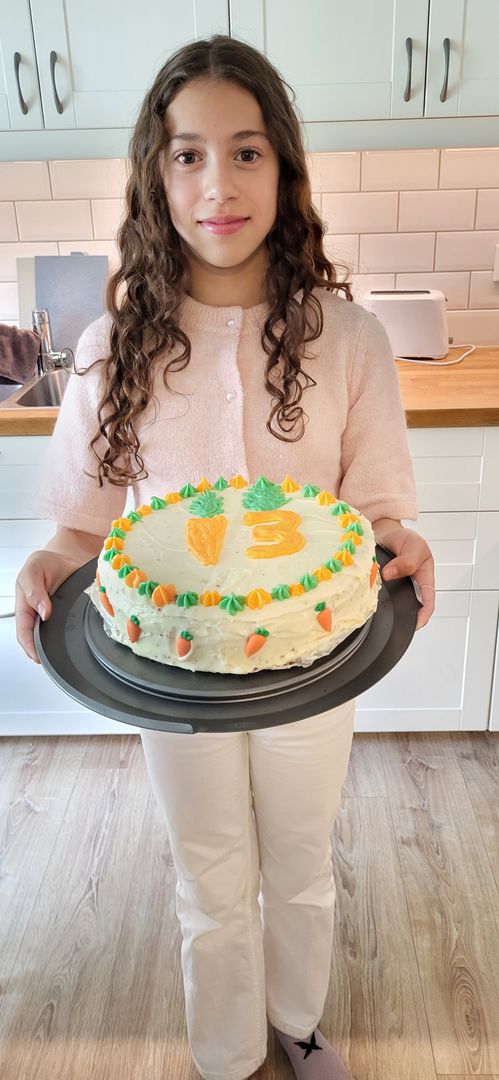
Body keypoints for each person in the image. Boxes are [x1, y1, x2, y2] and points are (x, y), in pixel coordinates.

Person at [15, 34, 435, 1080]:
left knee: (299, 860)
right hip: (171, 673)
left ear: (283, 169)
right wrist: (47, 563)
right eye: (187, 154)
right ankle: (225, 1050)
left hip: (313, 661)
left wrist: (401, 543)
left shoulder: (348, 340)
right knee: (207, 869)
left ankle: (297, 1023)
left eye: (246, 151)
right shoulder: (112, 349)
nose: (217, 184)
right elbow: (84, 527)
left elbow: (375, 512)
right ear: (155, 178)